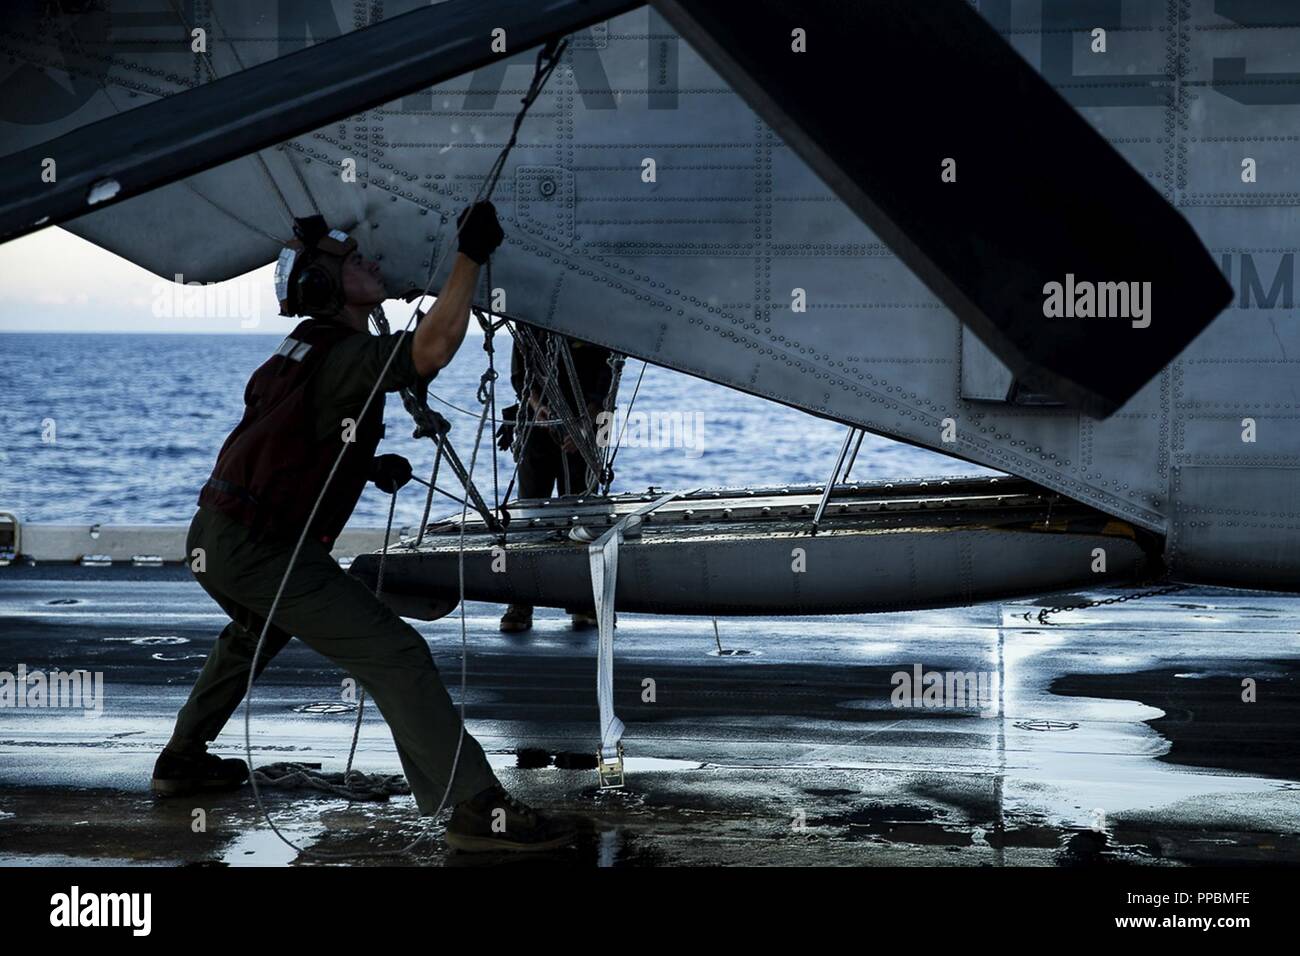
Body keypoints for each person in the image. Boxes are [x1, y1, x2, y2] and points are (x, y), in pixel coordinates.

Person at [151, 205, 574, 852]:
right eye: (353, 263)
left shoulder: (297, 352)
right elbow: (431, 347)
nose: (370, 263)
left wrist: (363, 460)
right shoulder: (347, 354)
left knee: (254, 634)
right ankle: (476, 810)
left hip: (215, 536)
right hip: (263, 549)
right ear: (321, 288)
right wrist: (470, 256)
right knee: (397, 653)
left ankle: (182, 761)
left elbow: (285, 436)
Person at [498, 331, 612, 634]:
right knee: (529, 515)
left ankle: (583, 600)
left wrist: (589, 419)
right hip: (536, 426)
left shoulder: (595, 317)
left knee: (582, 516)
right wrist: (540, 410)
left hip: (586, 425)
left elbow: (610, 367)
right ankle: (520, 601)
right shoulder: (527, 322)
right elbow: (520, 376)